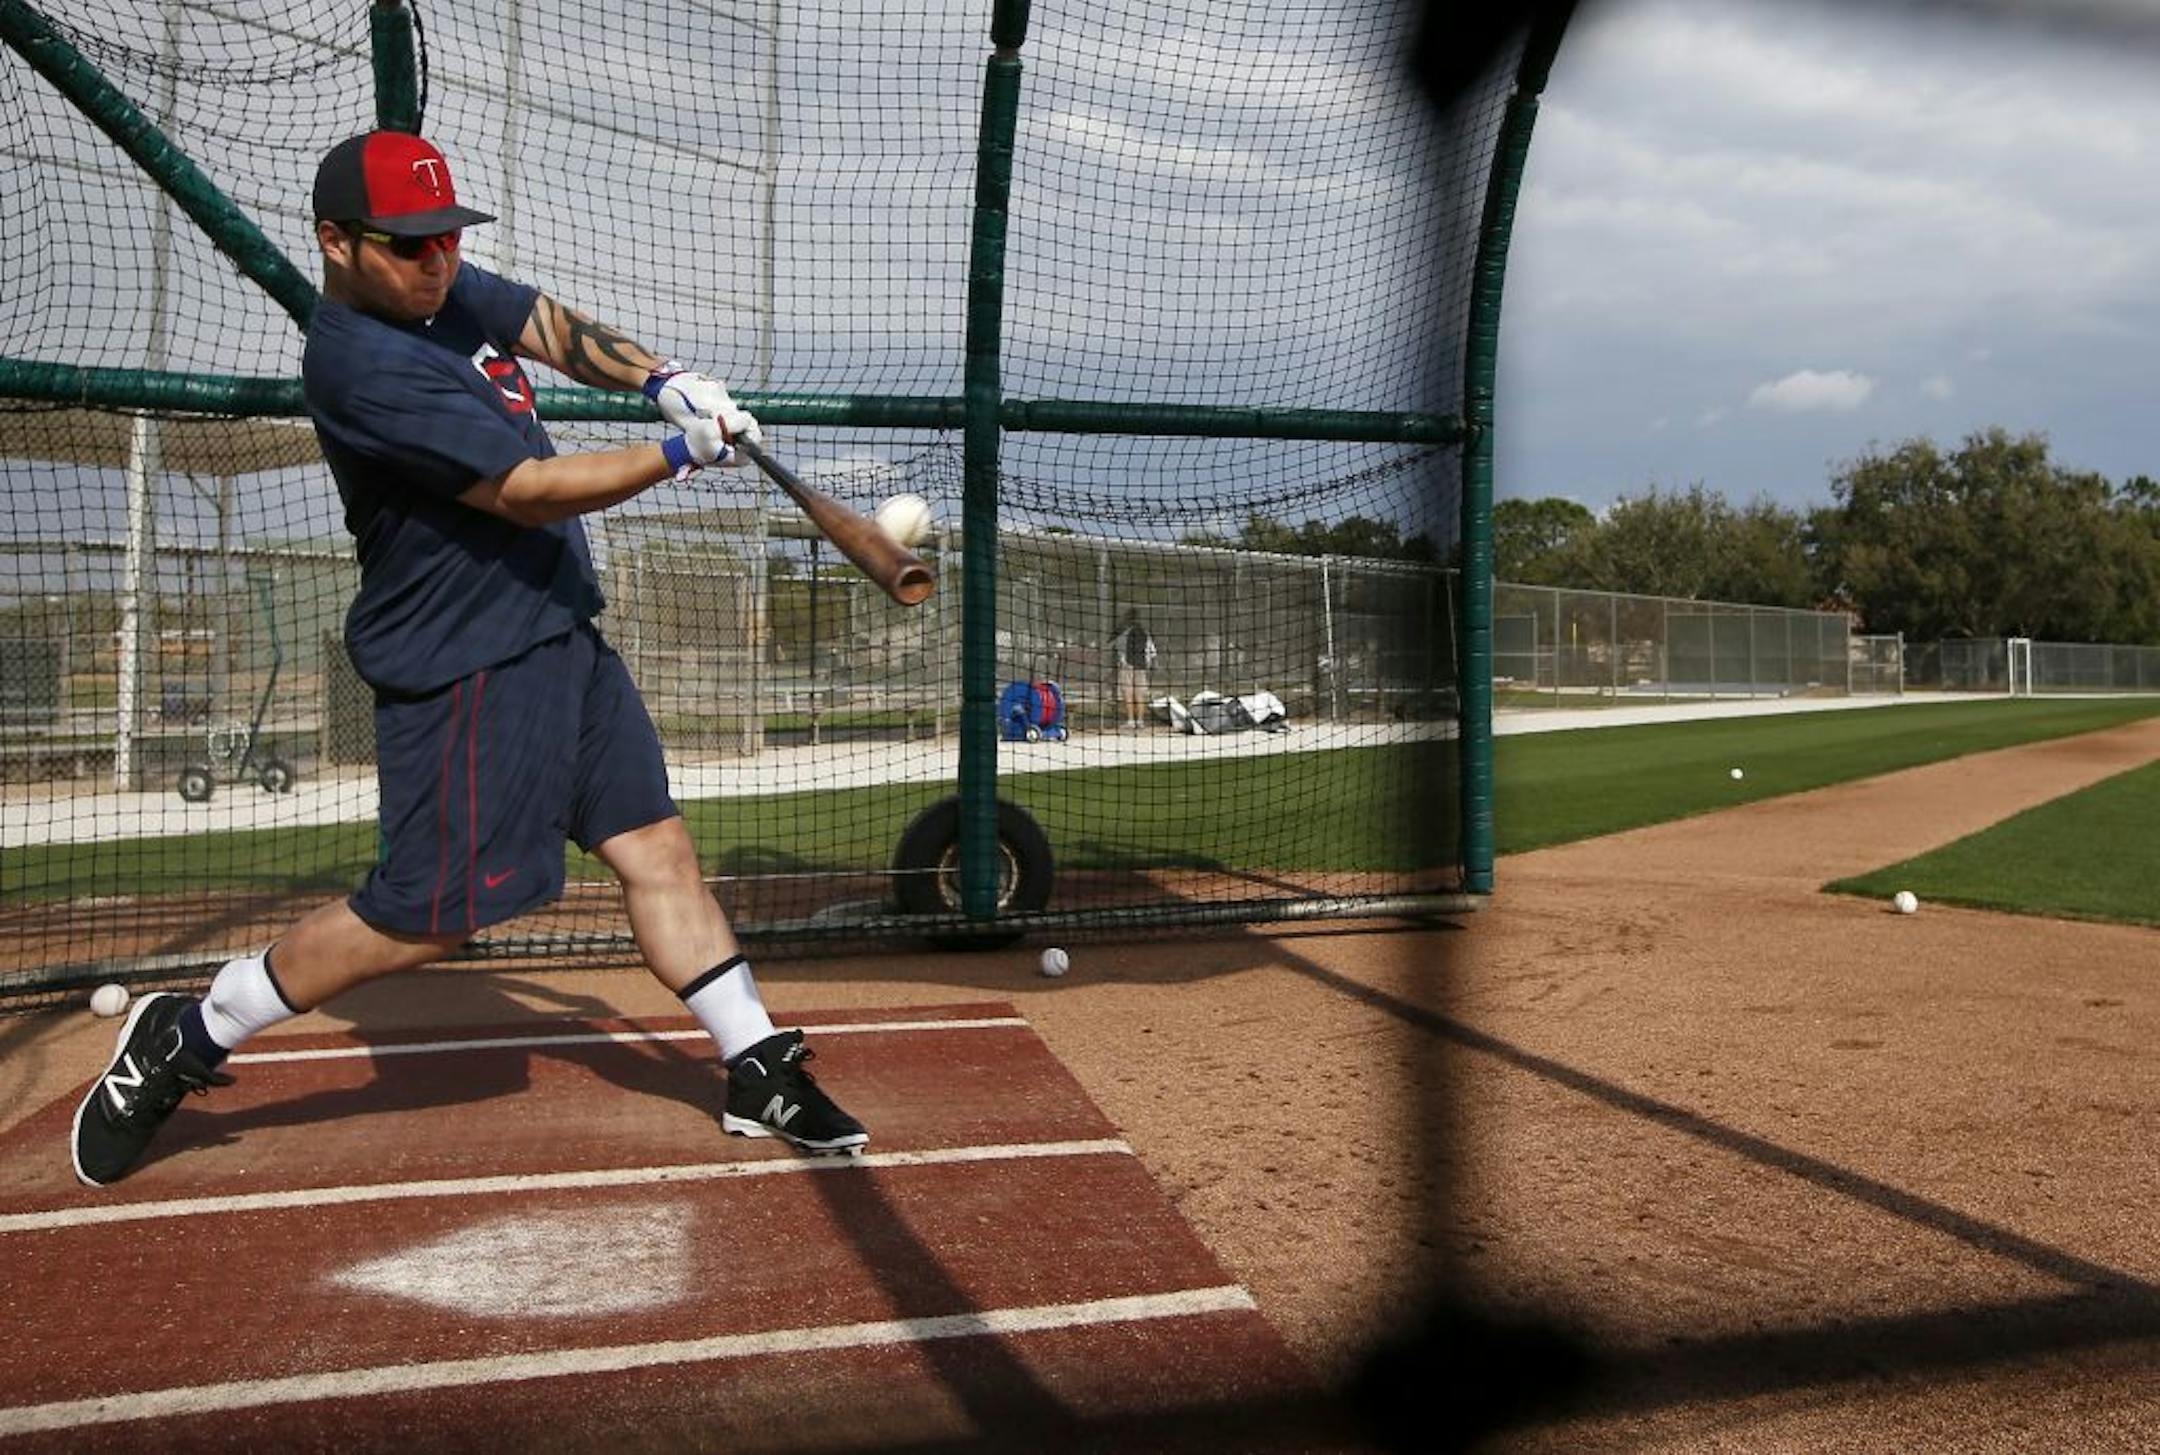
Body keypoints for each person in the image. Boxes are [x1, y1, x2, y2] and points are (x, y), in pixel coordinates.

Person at [70, 130, 866, 1188]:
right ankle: (194, 1029)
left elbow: (539, 321)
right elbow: (525, 491)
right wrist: (681, 451)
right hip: (465, 661)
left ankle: (755, 1065)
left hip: (556, 628)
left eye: (446, 239)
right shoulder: (361, 362)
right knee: (422, 916)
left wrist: (664, 377)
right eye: (409, 246)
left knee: (657, 850)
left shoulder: (436, 290)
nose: (437, 262)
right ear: (337, 242)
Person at [1109, 609, 1157, 729]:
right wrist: (1150, 665)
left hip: (1127, 667)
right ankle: (1140, 721)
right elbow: (1152, 652)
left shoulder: (1122, 633)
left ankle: (1131, 721)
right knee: (1139, 694)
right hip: (1141, 667)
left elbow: (1113, 647)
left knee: (1128, 694)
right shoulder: (1145, 632)